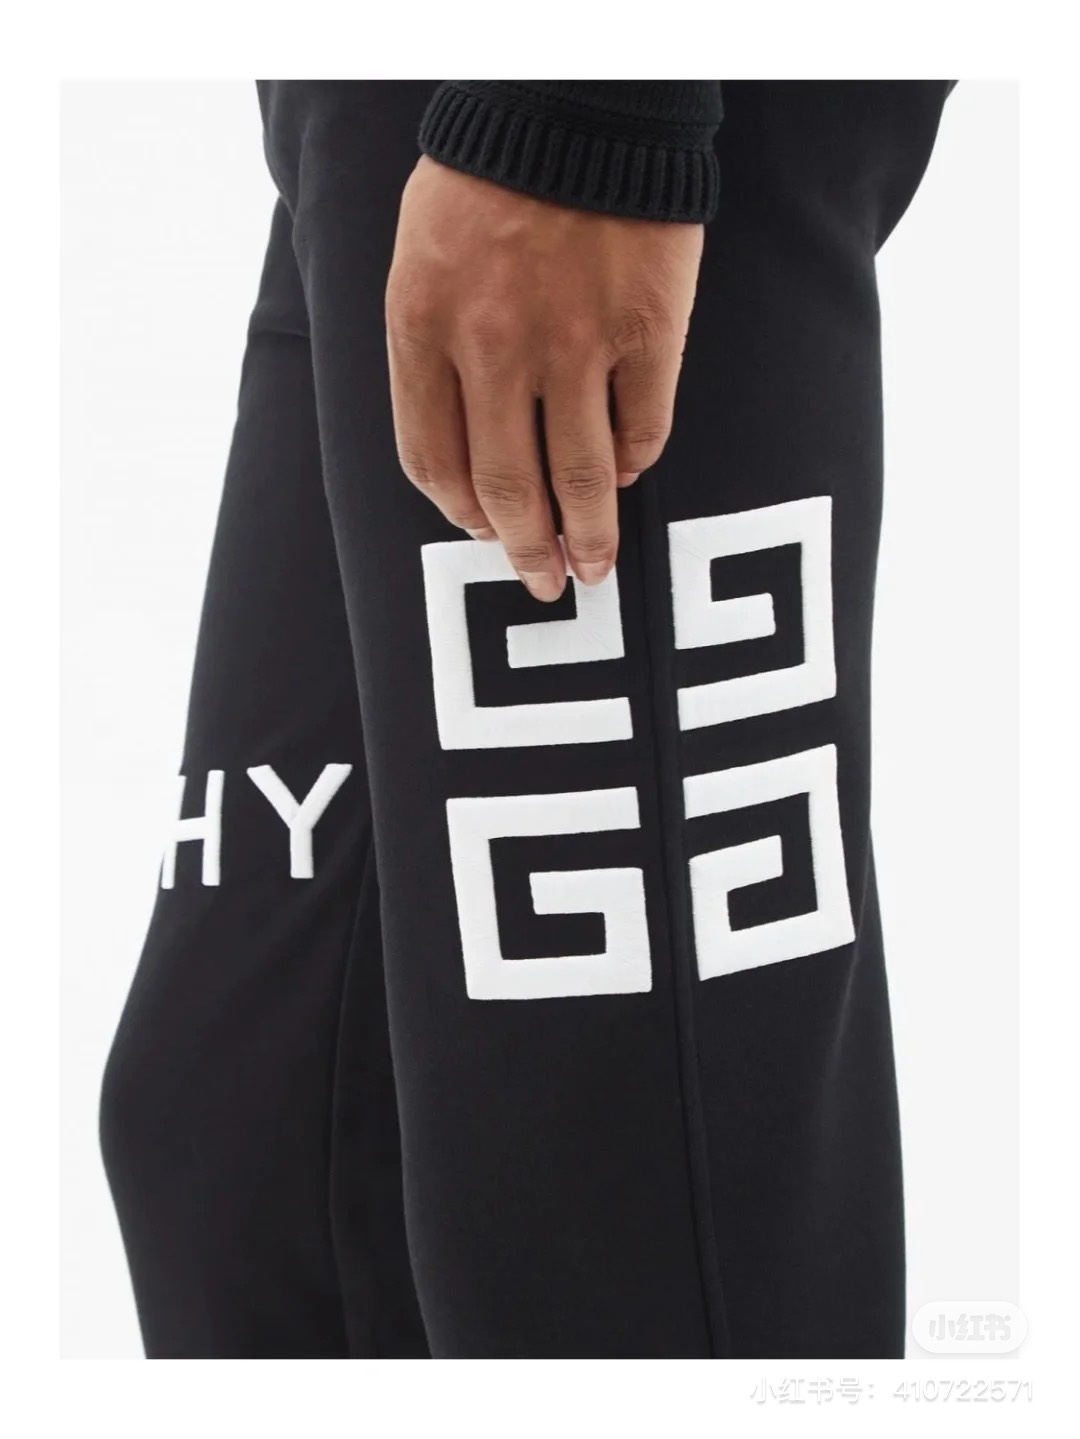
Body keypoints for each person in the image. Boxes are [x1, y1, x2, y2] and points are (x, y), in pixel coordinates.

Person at [99, 80, 955, 1359]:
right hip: (381, 116)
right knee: (249, 1140)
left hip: (594, 136)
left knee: (602, 1224)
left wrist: (588, 105)